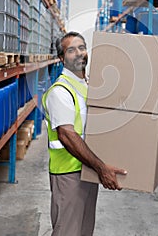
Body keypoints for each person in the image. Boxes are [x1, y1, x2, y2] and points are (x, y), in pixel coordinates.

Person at [42, 31, 127, 236]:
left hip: (88, 170)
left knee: (84, 230)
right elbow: (67, 136)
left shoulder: (87, 86)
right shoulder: (60, 91)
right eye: (71, 50)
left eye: (82, 47)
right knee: (68, 231)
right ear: (62, 58)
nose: (79, 53)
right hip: (68, 174)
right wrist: (101, 167)